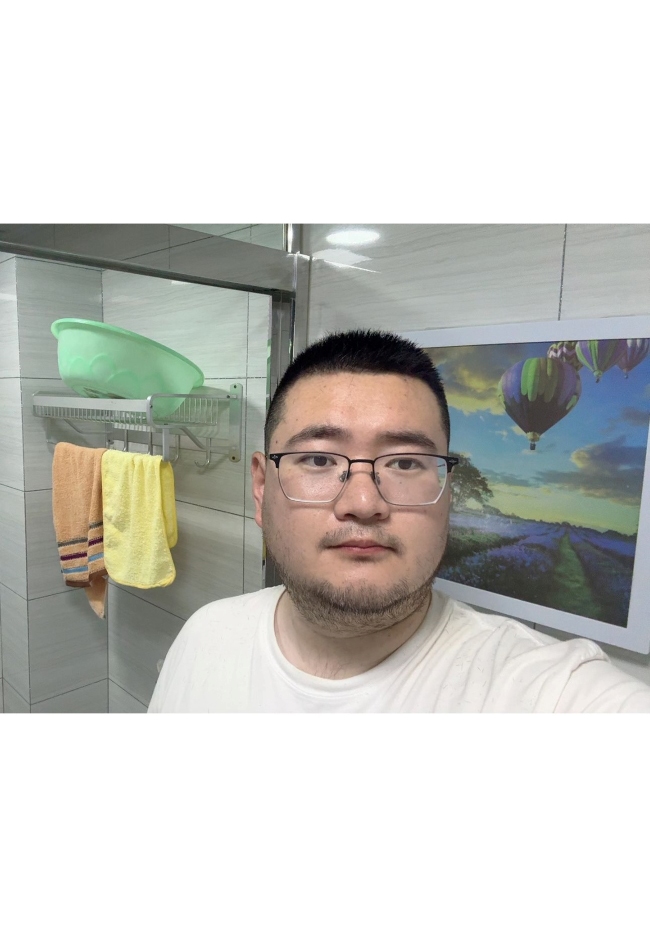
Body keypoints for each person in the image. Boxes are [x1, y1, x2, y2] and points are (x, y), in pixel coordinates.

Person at [149, 329, 650, 713]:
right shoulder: (206, 635)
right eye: (319, 459)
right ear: (262, 488)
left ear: (449, 493)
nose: (363, 502)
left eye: (406, 463)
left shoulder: (551, 693)